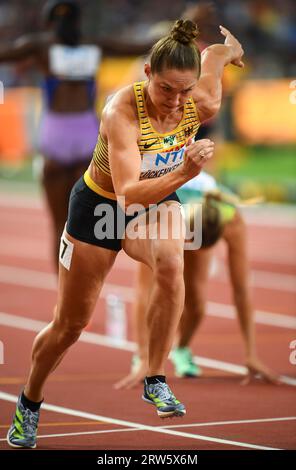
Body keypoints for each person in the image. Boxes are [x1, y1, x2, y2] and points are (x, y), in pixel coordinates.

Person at [7, 19, 244, 448]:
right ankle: (29, 401)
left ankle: (155, 376)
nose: (175, 102)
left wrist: (229, 50)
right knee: (70, 324)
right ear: (147, 74)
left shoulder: (202, 101)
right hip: (102, 206)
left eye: (184, 91)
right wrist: (186, 171)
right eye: (166, 89)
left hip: (155, 202)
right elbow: (129, 195)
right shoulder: (121, 111)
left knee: (173, 262)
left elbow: (214, 57)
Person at [0, 0, 153, 267]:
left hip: (54, 133)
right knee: (84, 220)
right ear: (79, 22)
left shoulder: (40, 45)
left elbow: (5, 54)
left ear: (49, 23)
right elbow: (140, 47)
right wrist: (183, 25)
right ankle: (85, 280)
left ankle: (63, 290)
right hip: (86, 135)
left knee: (59, 224)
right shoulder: (95, 45)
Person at [115, 170, 279, 390]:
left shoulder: (232, 220)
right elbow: (144, 293)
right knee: (158, 288)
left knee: (197, 303)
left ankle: (181, 349)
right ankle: (143, 357)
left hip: (197, 222)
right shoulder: (159, 209)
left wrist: (251, 354)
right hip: (165, 214)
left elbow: (241, 288)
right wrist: (143, 356)